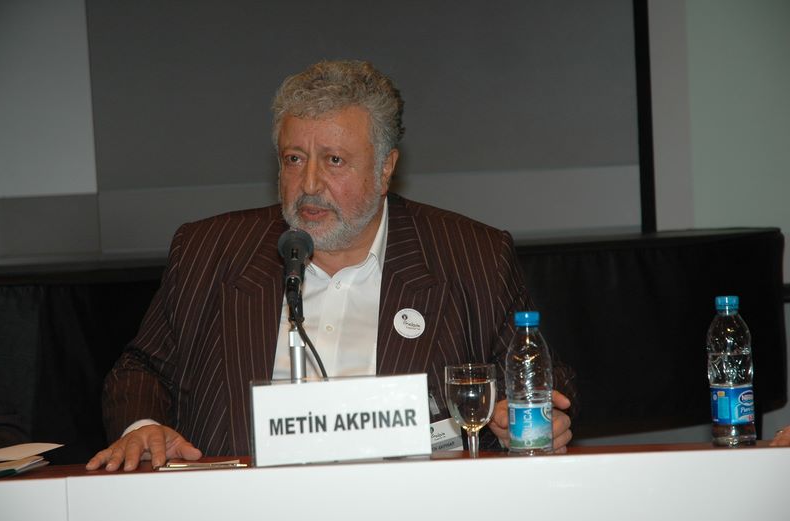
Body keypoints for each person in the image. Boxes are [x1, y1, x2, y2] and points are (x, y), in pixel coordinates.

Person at [87, 59, 575, 472]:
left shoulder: (471, 255)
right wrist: (143, 427)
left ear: (385, 168)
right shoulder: (209, 250)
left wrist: (528, 417)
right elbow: (139, 368)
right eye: (294, 159)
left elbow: (542, 377)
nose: (309, 184)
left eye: (334, 160)